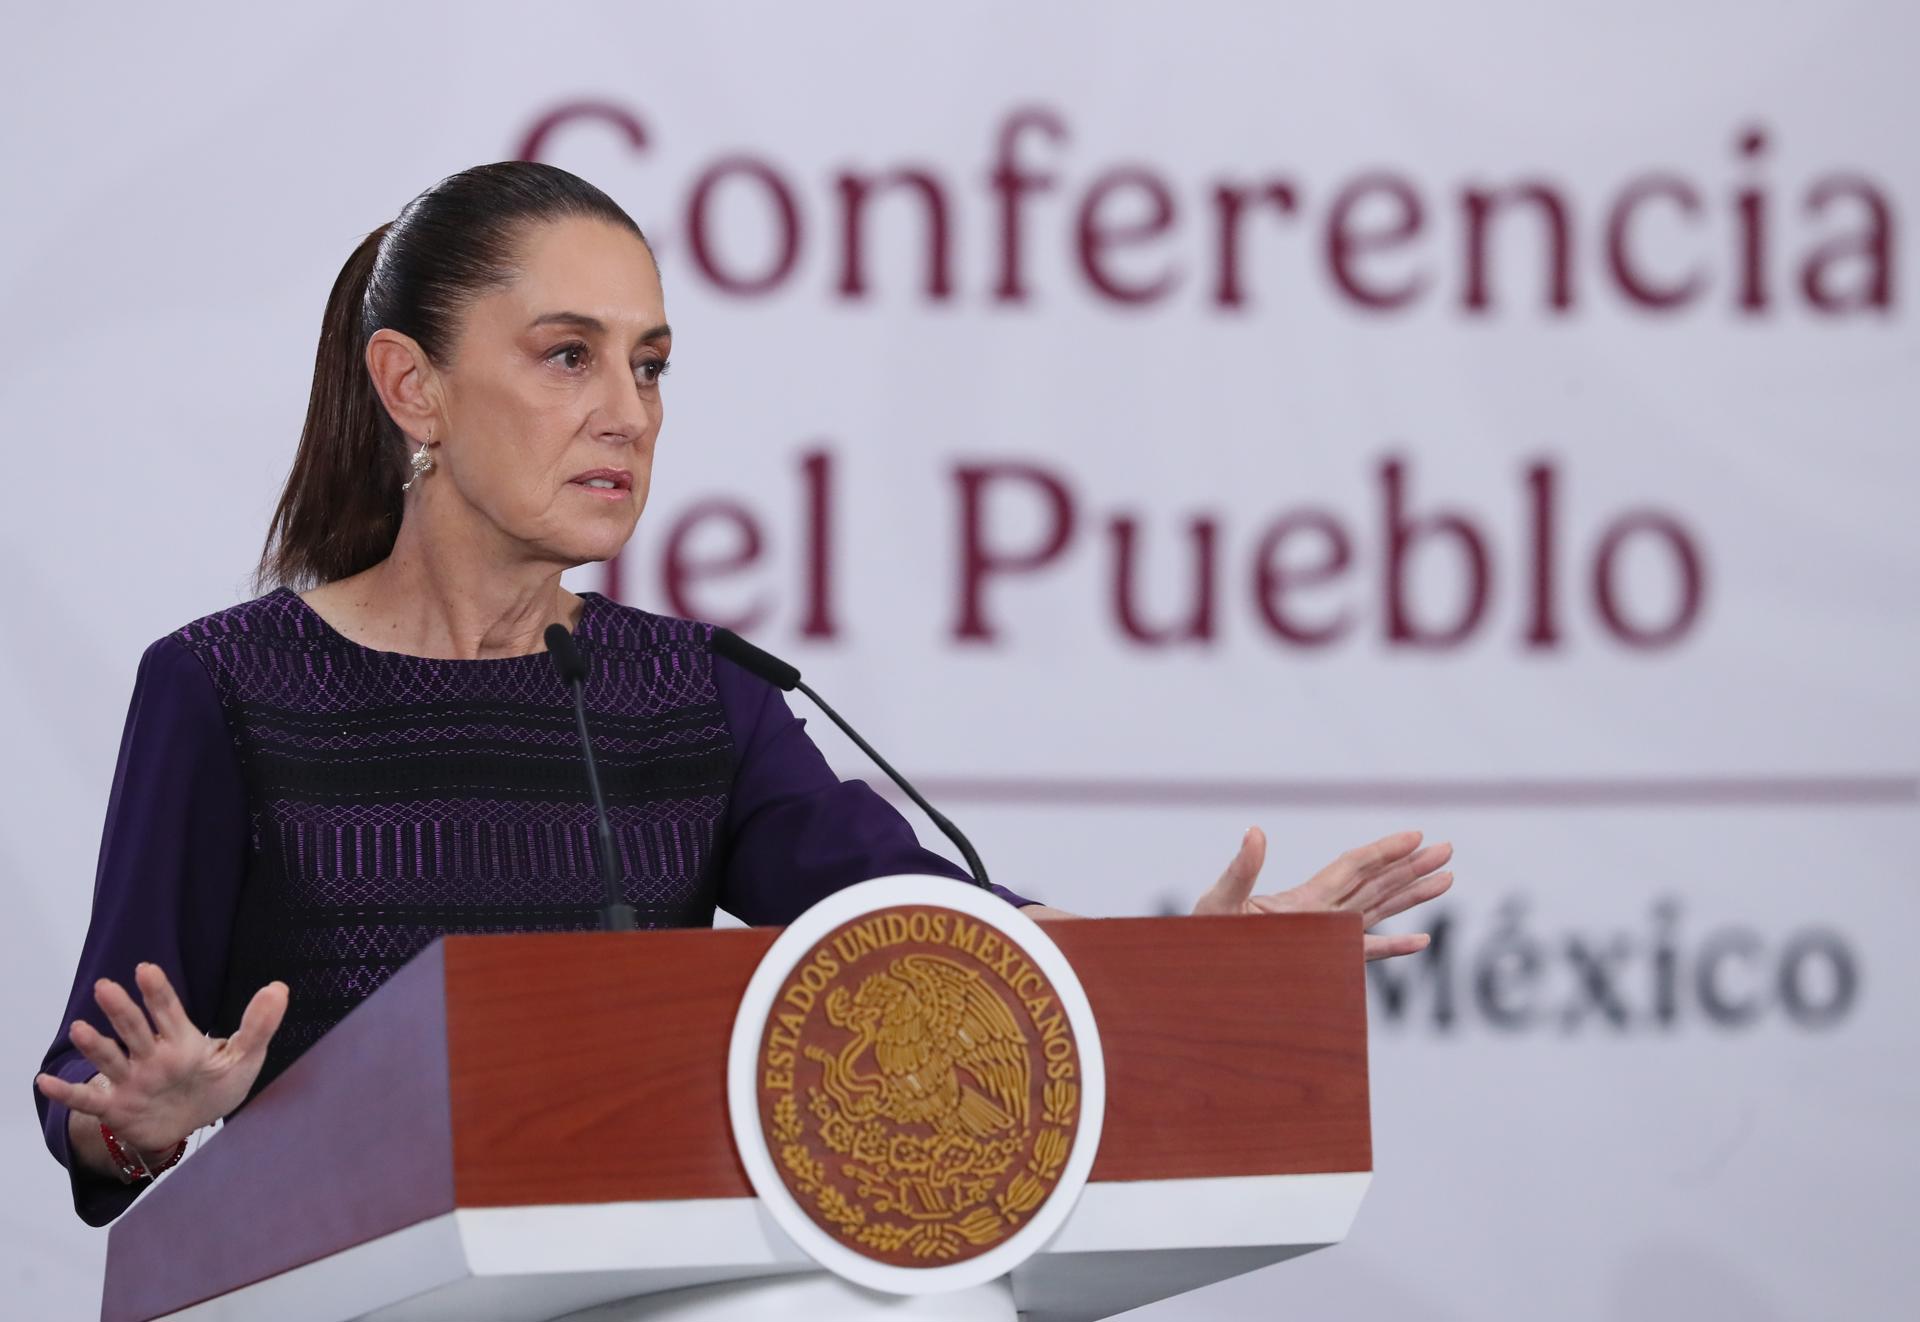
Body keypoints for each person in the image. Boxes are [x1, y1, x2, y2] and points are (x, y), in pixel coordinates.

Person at [31, 162, 1456, 1227]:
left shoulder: (688, 696)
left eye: (651, 367)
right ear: (412, 386)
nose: (630, 414)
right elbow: (95, 1102)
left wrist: (1182, 968)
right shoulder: (223, 687)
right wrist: (141, 1126)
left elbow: (918, 930)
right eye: (569, 356)